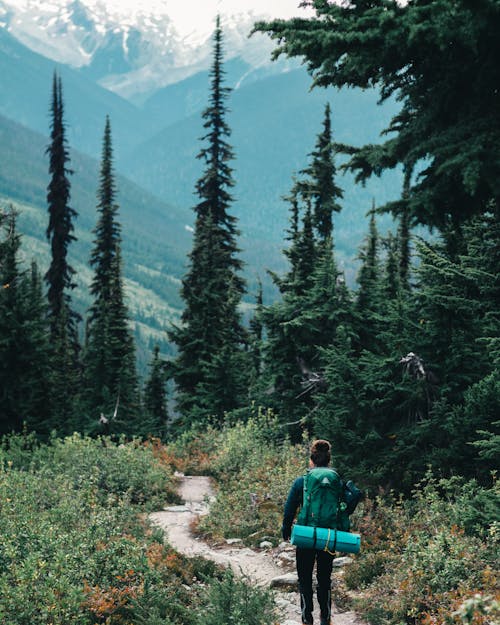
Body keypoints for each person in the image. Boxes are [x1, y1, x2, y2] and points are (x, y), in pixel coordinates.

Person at [282, 439, 340, 625]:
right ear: (328, 459)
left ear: (311, 459)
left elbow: (290, 507)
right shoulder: (335, 480)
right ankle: (326, 617)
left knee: (304, 577)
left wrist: (286, 528)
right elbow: (346, 505)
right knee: (324, 577)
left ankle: (307, 617)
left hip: (306, 535)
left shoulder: (303, 481)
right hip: (328, 535)